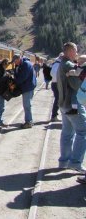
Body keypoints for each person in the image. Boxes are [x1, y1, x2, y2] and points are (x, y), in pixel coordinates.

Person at [56, 42, 86, 175]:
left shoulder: (61, 63)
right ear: (69, 51)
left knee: (67, 133)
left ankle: (64, 162)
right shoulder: (68, 65)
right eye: (75, 50)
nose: (77, 52)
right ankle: (75, 162)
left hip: (63, 103)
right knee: (83, 132)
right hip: (73, 103)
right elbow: (75, 85)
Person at [11, 54, 37, 128]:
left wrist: (14, 82)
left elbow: (22, 77)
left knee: (27, 105)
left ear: (18, 59)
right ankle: (29, 120)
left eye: (15, 61)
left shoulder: (26, 64)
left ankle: (28, 122)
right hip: (27, 87)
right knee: (27, 105)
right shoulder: (22, 64)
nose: (14, 63)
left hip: (28, 87)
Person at [50, 53, 64, 122]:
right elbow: (54, 74)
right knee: (58, 100)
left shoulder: (57, 63)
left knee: (58, 100)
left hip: (56, 84)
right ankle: (54, 116)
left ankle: (54, 115)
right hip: (57, 84)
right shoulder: (57, 64)